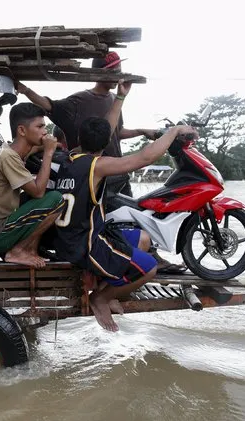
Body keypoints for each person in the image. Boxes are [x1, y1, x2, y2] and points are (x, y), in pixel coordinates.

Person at [17, 52, 187, 274]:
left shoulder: (113, 100)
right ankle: (128, 262)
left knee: (136, 215)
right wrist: (24, 89)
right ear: (100, 73)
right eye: (114, 71)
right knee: (108, 221)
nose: (118, 74)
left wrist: (141, 131)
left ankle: (146, 256)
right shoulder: (79, 101)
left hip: (117, 171)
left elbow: (116, 132)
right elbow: (49, 105)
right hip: (96, 173)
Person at [54, 80, 199, 331]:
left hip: (71, 235)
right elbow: (145, 157)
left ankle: (108, 291)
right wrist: (173, 131)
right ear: (104, 145)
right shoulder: (97, 166)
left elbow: (106, 130)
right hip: (85, 243)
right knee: (150, 268)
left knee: (143, 239)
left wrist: (120, 98)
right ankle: (101, 298)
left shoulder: (69, 158)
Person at [0, 103, 64, 268]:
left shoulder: (10, 150)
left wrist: (53, 145)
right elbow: (38, 192)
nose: (45, 131)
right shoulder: (9, 158)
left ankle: (30, 250)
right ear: (22, 130)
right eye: (40, 126)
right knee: (55, 199)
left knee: (30, 195)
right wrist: (49, 153)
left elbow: (31, 149)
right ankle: (19, 250)